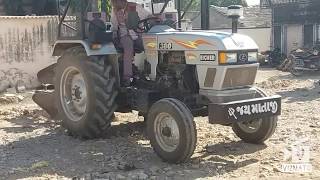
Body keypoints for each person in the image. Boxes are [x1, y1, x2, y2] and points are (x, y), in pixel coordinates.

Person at [110, 0, 152, 87]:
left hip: (137, 35)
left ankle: (150, 72)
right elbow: (114, 26)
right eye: (113, 2)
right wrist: (113, 38)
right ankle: (127, 78)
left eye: (115, 1)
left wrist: (155, 19)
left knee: (150, 44)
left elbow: (148, 15)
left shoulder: (135, 7)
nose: (114, 3)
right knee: (128, 46)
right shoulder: (115, 11)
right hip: (124, 36)